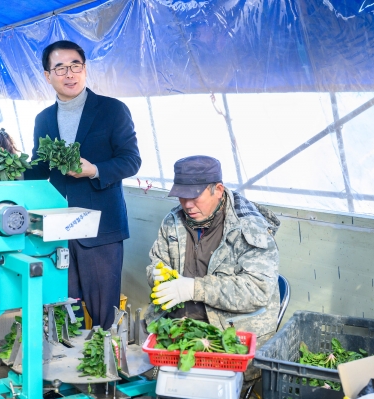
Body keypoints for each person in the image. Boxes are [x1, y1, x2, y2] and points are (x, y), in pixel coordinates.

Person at [25, 40, 142, 329]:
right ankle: (67, 369)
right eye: (60, 68)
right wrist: (8, 173)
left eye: (75, 66)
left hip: (101, 228)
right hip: (58, 228)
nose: (69, 74)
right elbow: (39, 167)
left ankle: (104, 368)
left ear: (85, 69)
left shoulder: (112, 110)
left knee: (104, 310)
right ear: (47, 75)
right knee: (63, 305)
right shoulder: (44, 119)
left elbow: (131, 160)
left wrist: (94, 170)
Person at [145, 155, 280, 382]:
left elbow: (257, 290)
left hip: (225, 338)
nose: (187, 204)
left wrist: (194, 289)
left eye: (194, 196)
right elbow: (156, 262)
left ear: (217, 189)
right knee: (160, 385)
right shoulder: (173, 221)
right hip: (179, 331)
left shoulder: (249, 227)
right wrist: (156, 274)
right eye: (182, 196)